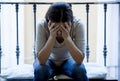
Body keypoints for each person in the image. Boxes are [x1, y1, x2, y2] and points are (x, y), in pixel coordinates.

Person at [33, 2, 89, 81]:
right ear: (49, 21)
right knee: (40, 70)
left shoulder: (78, 25)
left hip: (68, 60)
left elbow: (79, 60)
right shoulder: (42, 25)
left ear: (70, 22)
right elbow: (41, 60)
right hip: (48, 60)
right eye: (56, 26)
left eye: (64, 26)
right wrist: (52, 36)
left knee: (80, 70)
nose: (60, 29)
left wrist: (67, 37)